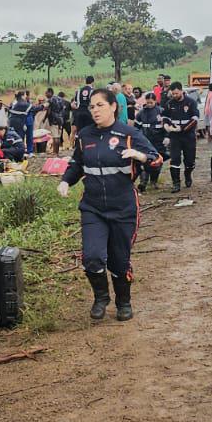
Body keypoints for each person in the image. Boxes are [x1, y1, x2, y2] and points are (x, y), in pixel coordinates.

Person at [57, 89, 163, 321]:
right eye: (92, 106)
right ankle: (101, 297)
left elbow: (156, 159)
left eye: (100, 105)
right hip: (93, 207)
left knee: (119, 261)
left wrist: (140, 156)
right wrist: (66, 181)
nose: (94, 110)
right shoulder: (85, 135)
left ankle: (123, 302)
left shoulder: (129, 134)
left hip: (123, 208)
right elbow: (77, 164)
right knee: (92, 256)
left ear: (113, 107)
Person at [160, 81, 200, 190]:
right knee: (175, 159)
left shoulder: (191, 102)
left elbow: (195, 119)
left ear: (182, 91)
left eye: (176, 93)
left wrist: (182, 128)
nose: (174, 95)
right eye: (173, 94)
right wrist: (166, 125)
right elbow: (164, 116)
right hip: (175, 136)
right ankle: (176, 183)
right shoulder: (169, 103)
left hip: (188, 135)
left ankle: (188, 174)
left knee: (190, 161)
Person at [133, 93, 166, 192]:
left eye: (151, 103)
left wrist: (167, 137)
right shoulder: (141, 113)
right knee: (144, 162)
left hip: (158, 141)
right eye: (147, 103)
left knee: (157, 162)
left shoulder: (161, 112)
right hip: (145, 141)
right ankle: (143, 182)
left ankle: (154, 181)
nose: (149, 105)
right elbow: (136, 128)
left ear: (155, 101)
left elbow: (166, 126)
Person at [70, 76, 96, 142]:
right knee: (89, 129)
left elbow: (74, 104)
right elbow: (93, 103)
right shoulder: (92, 91)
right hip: (88, 113)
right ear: (92, 82)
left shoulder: (79, 91)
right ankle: (88, 144)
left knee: (79, 131)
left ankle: (78, 145)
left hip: (79, 113)